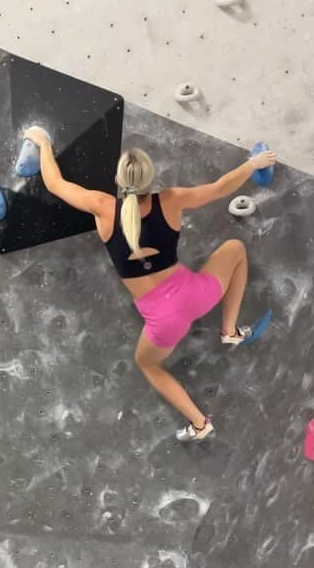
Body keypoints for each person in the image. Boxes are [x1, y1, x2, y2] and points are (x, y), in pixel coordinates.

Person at [23, 126, 277, 443]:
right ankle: (229, 332)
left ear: (118, 181)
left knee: (148, 365)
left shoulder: (102, 206)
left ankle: (200, 423)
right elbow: (219, 187)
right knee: (236, 249)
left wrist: (43, 142)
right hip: (196, 294)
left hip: (164, 322)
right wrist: (253, 164)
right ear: (150, 179)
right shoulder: (170, 200)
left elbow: (55, 184)